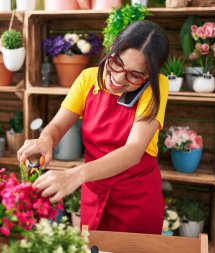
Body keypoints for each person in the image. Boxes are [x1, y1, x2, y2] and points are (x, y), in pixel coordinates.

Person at [18, 20, 170, 234]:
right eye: (116, 62)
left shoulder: (156, 87)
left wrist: (74, 175)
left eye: (135, 75)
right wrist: (46, 139)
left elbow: (134, 150)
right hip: (94, 191)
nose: (118, 78)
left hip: (136, 199)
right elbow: (59, 125)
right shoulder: (88, 78)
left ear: (150, 75)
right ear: (111, 50)